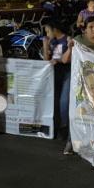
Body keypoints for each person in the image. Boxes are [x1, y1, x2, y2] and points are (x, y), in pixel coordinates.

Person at [42, 20, 72, 150]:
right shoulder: (52, 41)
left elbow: (67, 59)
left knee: (64, 102)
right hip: (55, 75)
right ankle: (54, 126)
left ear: (55, 29)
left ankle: (64, 129)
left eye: (48, 31)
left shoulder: (67, 39)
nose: (47, 34)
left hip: (67, 74)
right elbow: (46, 59)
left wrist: (57, 60)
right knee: (54, 102)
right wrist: (45, 45)